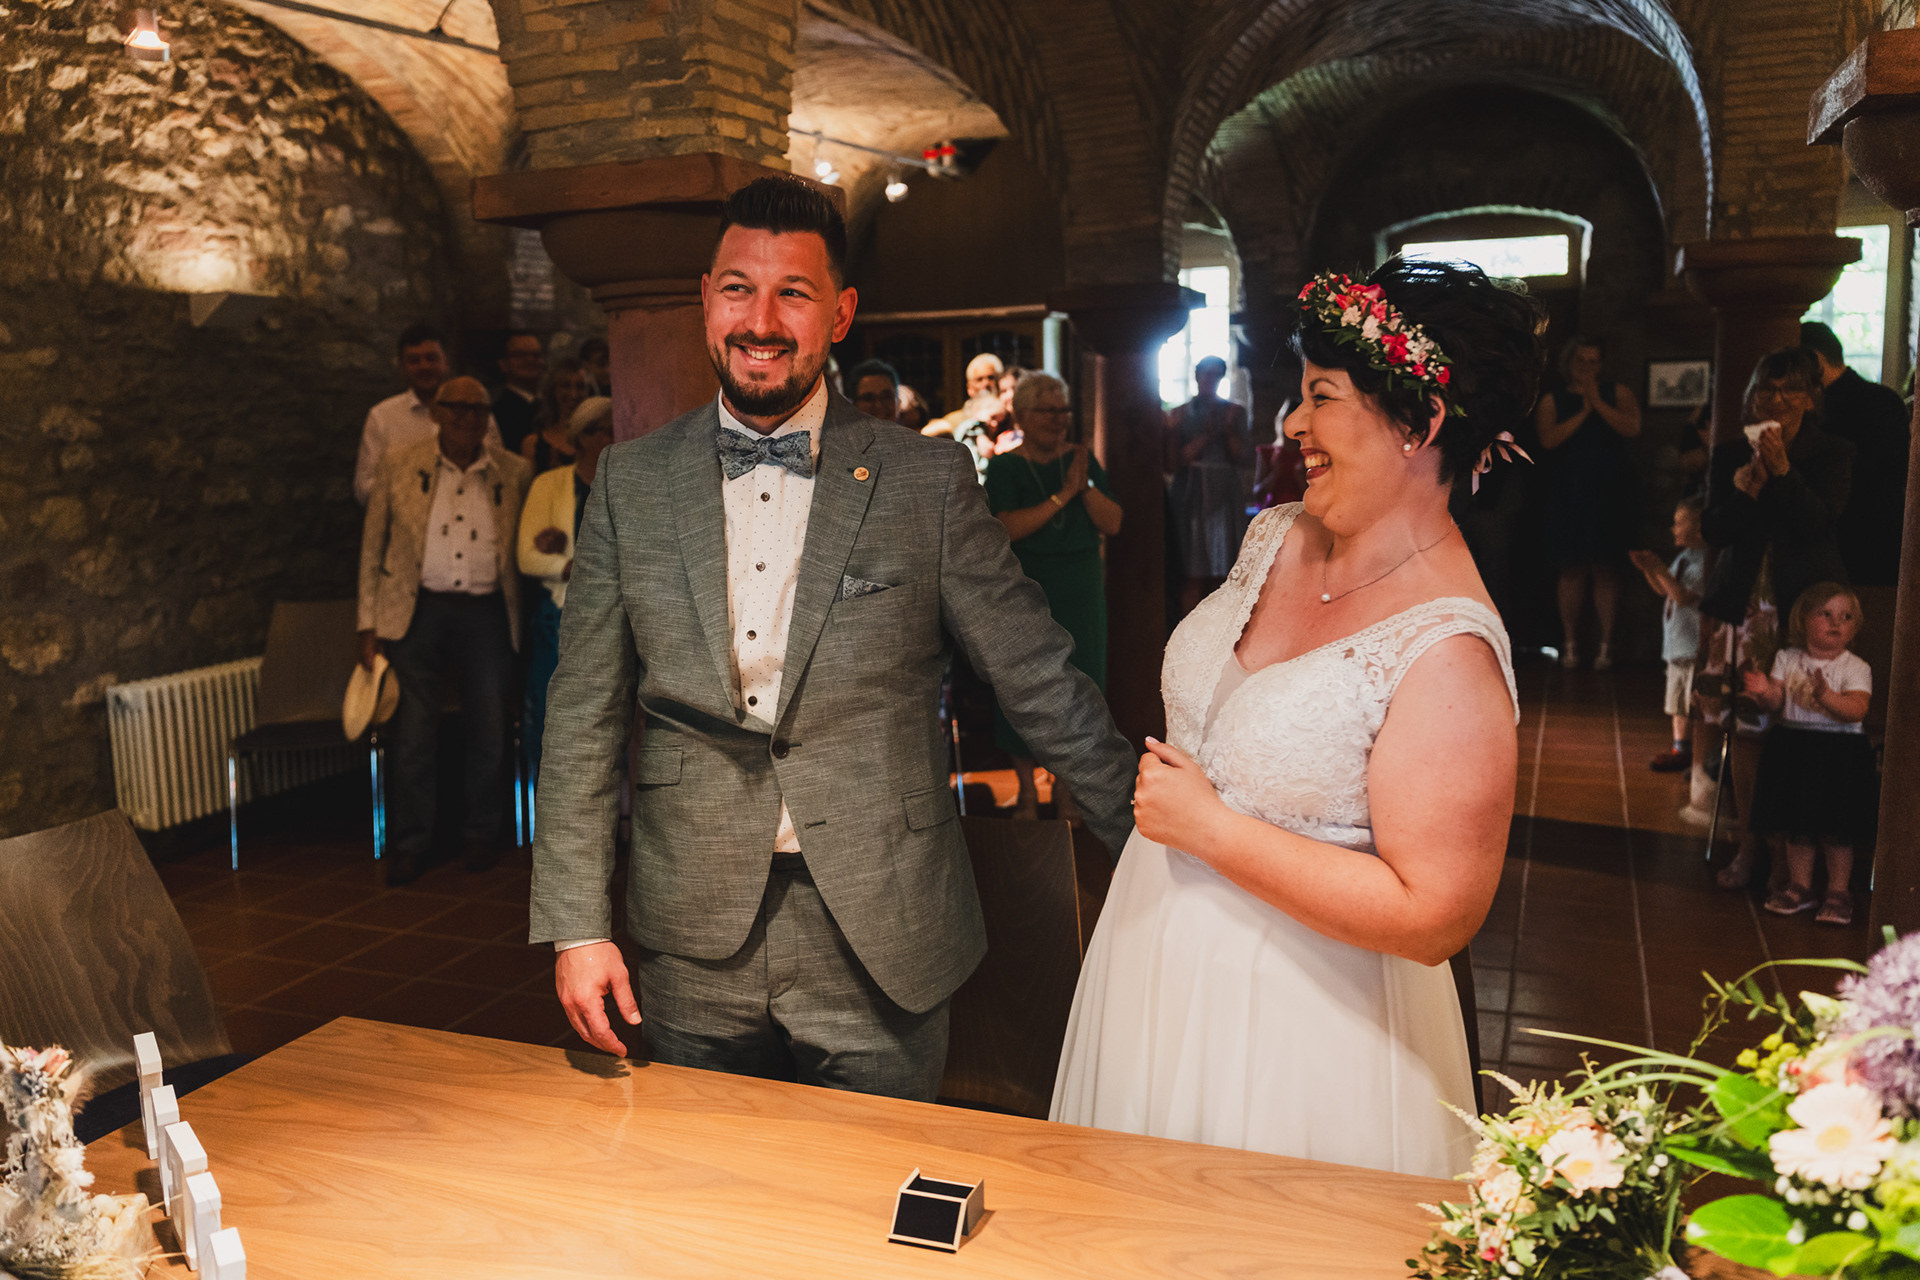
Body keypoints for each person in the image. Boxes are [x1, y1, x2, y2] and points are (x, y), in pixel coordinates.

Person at [530, 176, 1136, 1102]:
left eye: (794, 294)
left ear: (841, 313)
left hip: (883, 925)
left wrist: (1153, 845)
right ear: (706, 299)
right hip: (693, 930)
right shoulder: (629, 481)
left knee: (875, 1186)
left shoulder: (927, 481)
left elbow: (1037, 676)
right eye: (739, 289)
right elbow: (583, 714)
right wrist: (577, 924)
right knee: (705, 1179)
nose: (760, 321)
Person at [1052, 259, 1540, 1176]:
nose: (1292, 424)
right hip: (1151, 955)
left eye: (1322, 397)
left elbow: (1433, 915)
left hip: (1303, 1023)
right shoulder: (1276, 534)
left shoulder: (1447, 649)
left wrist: (1211, 830)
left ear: (1420, 423)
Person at [357, 377, 534, 886]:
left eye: (477, 410)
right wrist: (367, 623)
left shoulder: (514, 472)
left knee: (489, 728)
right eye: (456, 408)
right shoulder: (399, 463)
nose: (466, 419)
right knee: (414, 732)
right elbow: (372, 546)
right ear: (436, 413)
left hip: (487, 612)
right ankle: (411, 843)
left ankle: (481, 833)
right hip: (417, 610)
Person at [1700, 348, 1853, 893]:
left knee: (1795, 732)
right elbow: (1714, 531)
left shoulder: (1833, 453)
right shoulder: (1729, 452)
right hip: (1745, 606)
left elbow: (1820, 524)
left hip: (1799, 608)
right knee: (1745, 733)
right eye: (1768, 388)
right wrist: (1745, 491)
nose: (1778, 400)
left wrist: (1784, 473)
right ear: (1753, 395)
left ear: (1810, 398)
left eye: (1791, 390)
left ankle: (1792, 862)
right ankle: (1749, 846)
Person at [983, 373, 1123, 822]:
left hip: (1080, 588)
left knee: (1081, 686)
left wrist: (1084, 487)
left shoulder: (1081, 460)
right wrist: (1063, 495)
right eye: (1048, 410)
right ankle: (1027, 793)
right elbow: (1006, 528)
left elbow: (1113, 522)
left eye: (1063, 410)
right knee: (1021, 685)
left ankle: (1067, 792)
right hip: (1025, 590)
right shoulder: (1005, 467)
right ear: (1022, 416)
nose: (1059, 419)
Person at [1741, 583, 1876, 927]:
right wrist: (1763, 691)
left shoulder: (1856, 667)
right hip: (1794, 747)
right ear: (1802, 620)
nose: (1837, 622)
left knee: (1836, 828)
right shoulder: (1787, 658)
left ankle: (1838, 891)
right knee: (1797, 825)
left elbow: (1856, 709)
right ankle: (1800, 886)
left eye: (1846, 616)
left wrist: (1826, 696)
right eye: (1825, 614)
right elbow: (1776, 702)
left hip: (1839, 752)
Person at [517, 397, 615, 783]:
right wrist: (569, 566)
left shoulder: (624, 482)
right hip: (561, 615)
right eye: (605, 430)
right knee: (555, 716)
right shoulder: (549, 484)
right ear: (583, 437)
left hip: (614, 614)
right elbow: (526, 557)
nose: (614, 437)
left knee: (609, 719)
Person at [1534, 336, 1641, 670]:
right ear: (1569, 362)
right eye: (1581, 360)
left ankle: (1605, 646)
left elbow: (1632, 427)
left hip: (1609, 493)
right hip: (1569, 493)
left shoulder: (1618, 393)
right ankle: (1570, 643)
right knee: (1571, 568)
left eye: (1594, 361)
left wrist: (1598, 402)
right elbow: (1548, 439)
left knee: (1606, 568)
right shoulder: (1552, 400)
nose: (1587, 367)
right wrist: (1583, 410)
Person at [1802, 321, 1909, 586]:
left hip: (1853, 543)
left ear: (1815, 361)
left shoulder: (1830, 409)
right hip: (1883, 544)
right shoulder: (1886, 399)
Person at [352, 324, 502, 506]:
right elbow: (364, 488)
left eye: (431, 358)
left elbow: (497, 471)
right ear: (402, 367)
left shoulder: (475, 412)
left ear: (446, 362)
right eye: (414, 360)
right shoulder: (382, 416)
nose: (424, 366)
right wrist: (413, 495)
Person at [1166, 355, 1252, 618]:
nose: (1209, 379)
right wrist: (1196, 435)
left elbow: (1244, 457)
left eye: (1216, 374)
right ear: (1196, 376)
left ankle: (1221, 628)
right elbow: (1171, 463)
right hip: (1191, 492)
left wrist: (1228, 430)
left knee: (1223, 568)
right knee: (1191, 568)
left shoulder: (1233, 411)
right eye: (1205, 373)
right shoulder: (1180, 413)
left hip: (1223, 492)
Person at [1629, 495, 1708, 772]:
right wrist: (1650, 570)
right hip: (1677, 642)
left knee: (1691, 701)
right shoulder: (1685, 557)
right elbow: (1665, 590)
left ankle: (1695, 752)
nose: (1674, 529)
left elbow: (1683, 596)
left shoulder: (1704, 563)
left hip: (1692, 643)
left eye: (1679, 523)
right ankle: (1680, 748)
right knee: (1677, 700)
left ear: (1699, 527)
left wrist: (1659, 569)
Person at [522, 357, 589, 472]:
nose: (574, 394)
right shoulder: (533, 443)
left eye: (580, 387)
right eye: (566, 386)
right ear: (553, 391)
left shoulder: (597, 440)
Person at [492, 330, 547, 454]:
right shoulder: (498, 413)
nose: (530, 360)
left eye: (536, 355)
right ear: (503, 364)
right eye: (520, 355)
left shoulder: (551, 404)